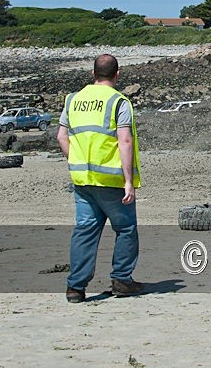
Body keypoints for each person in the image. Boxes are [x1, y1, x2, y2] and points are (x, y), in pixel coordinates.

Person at [57, 54, 143, 303]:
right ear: (117, 74)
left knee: (85, 231)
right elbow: (124, 140)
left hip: (83, 179)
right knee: (126, 228)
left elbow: (61, 136)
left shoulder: (73, 99)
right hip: (111, 179)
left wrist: (74, 160)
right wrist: (129, 181)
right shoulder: (118, 101)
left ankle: (75, 287)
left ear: (93, 74)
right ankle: (122, 280)